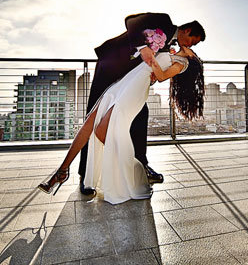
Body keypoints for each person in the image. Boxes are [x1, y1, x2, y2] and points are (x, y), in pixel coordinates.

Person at [38, 46, 204, 204]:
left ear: (193, 58)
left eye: (193, 49)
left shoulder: (184, 63)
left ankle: (130, 171)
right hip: (124, 83)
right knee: (90, 122)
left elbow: (161, 76)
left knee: (101, 131)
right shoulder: (171, 51)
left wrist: (151, 58)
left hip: (134, 90)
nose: (191, 46)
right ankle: (62, 171)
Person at [77, 13, 205, 195]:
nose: (191, 45)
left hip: (129, 80)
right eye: (194, 40)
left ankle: (141, 167)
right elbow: (131, 21)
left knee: (141, 114)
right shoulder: (164, 21)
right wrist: (143, 47)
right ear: (187, 30)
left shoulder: (171, 47)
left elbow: (157, 65)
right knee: (94, 114)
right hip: (111, 65)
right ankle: (85, 175)